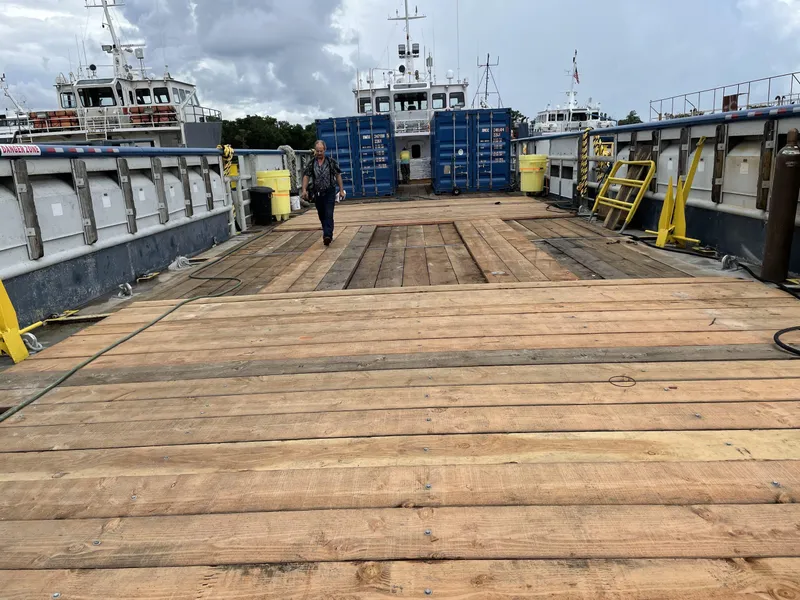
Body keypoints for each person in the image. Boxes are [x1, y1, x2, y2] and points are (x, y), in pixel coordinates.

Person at [301, 140, 345, 246]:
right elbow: (306, 176)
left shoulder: (331, 162)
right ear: (315, 151)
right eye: (317, 151)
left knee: (329, 213)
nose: (319, 153)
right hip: (317, 193)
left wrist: (341, 190)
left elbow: (338, 175)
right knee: (322, 214)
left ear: (325, 150)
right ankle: (327, 232)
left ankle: (327, 235)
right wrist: (304, 190)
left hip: (329, 191)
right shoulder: (311, 163)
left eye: (321, 151)